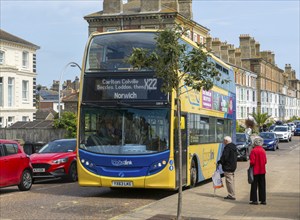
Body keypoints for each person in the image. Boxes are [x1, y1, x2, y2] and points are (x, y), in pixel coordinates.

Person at [217, 136, 237, 200]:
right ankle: (232, 194)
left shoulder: (227, 148)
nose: (223, 142)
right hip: (233, 166)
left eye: (224, 141)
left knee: (229, 181)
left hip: (228, 166)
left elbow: (225, 157)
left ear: (226, 141)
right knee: (231, 181)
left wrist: (220, 162)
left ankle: (231, 195)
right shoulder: (233, 147)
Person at [249, 136, 267, 205]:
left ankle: (254, 200)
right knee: (262, 185)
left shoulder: (253, 151)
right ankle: (263, 200)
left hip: (255, 170)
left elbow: (252, 162)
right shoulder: (263, 150)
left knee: (254, 186)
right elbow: (265, 161)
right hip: (262, 170)